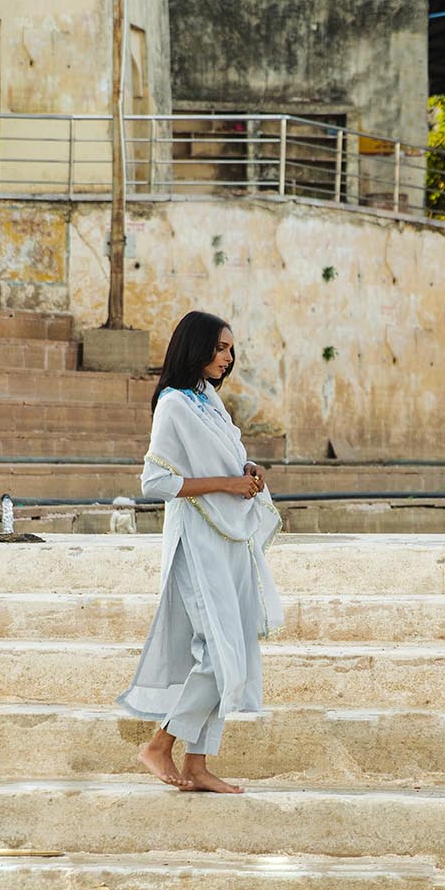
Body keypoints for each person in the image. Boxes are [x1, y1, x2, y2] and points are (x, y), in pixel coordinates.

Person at [118, 310, 282, 794]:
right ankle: (159, 744)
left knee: (231, 648)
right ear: (196, 347)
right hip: (197, 543)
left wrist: (246, 467)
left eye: (231, 350)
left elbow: (227, 453)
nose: (228, 358)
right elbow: (157, 482)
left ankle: (197, 765)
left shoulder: (206, 399)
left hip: (229, 542)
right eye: (220, 348)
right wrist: (229, 483)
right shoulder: (173, 405)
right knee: (218, 654)